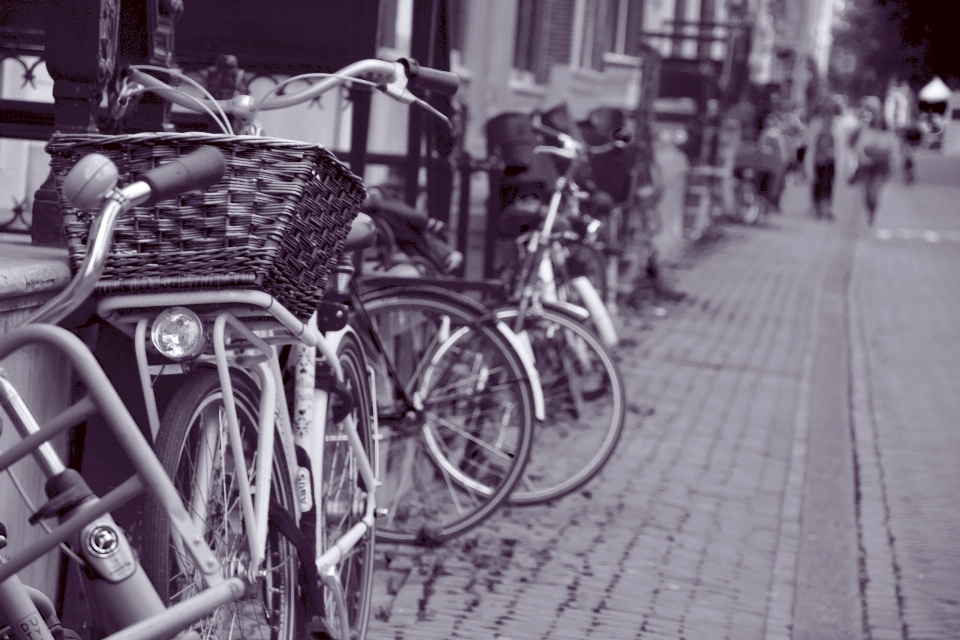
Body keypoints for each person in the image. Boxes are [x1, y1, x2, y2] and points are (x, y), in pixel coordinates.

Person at [849, 96, 897, 226]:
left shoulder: (888, 134)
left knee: (874, 193)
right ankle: (869, 211)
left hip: (881, 167)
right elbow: (859, 147)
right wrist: (864, 159)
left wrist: (892, 163)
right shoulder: (866, 131)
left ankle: (873, 213)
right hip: (867, 166)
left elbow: (894, 150)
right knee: (866, 193)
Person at [811, 114, 836, 219]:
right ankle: (817, 207)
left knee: (828, 185)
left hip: (830, 162)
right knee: (818, 184)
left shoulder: (834, 134)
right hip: (820, 162)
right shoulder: (819, 133)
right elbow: (814, 148)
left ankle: (827, 208)